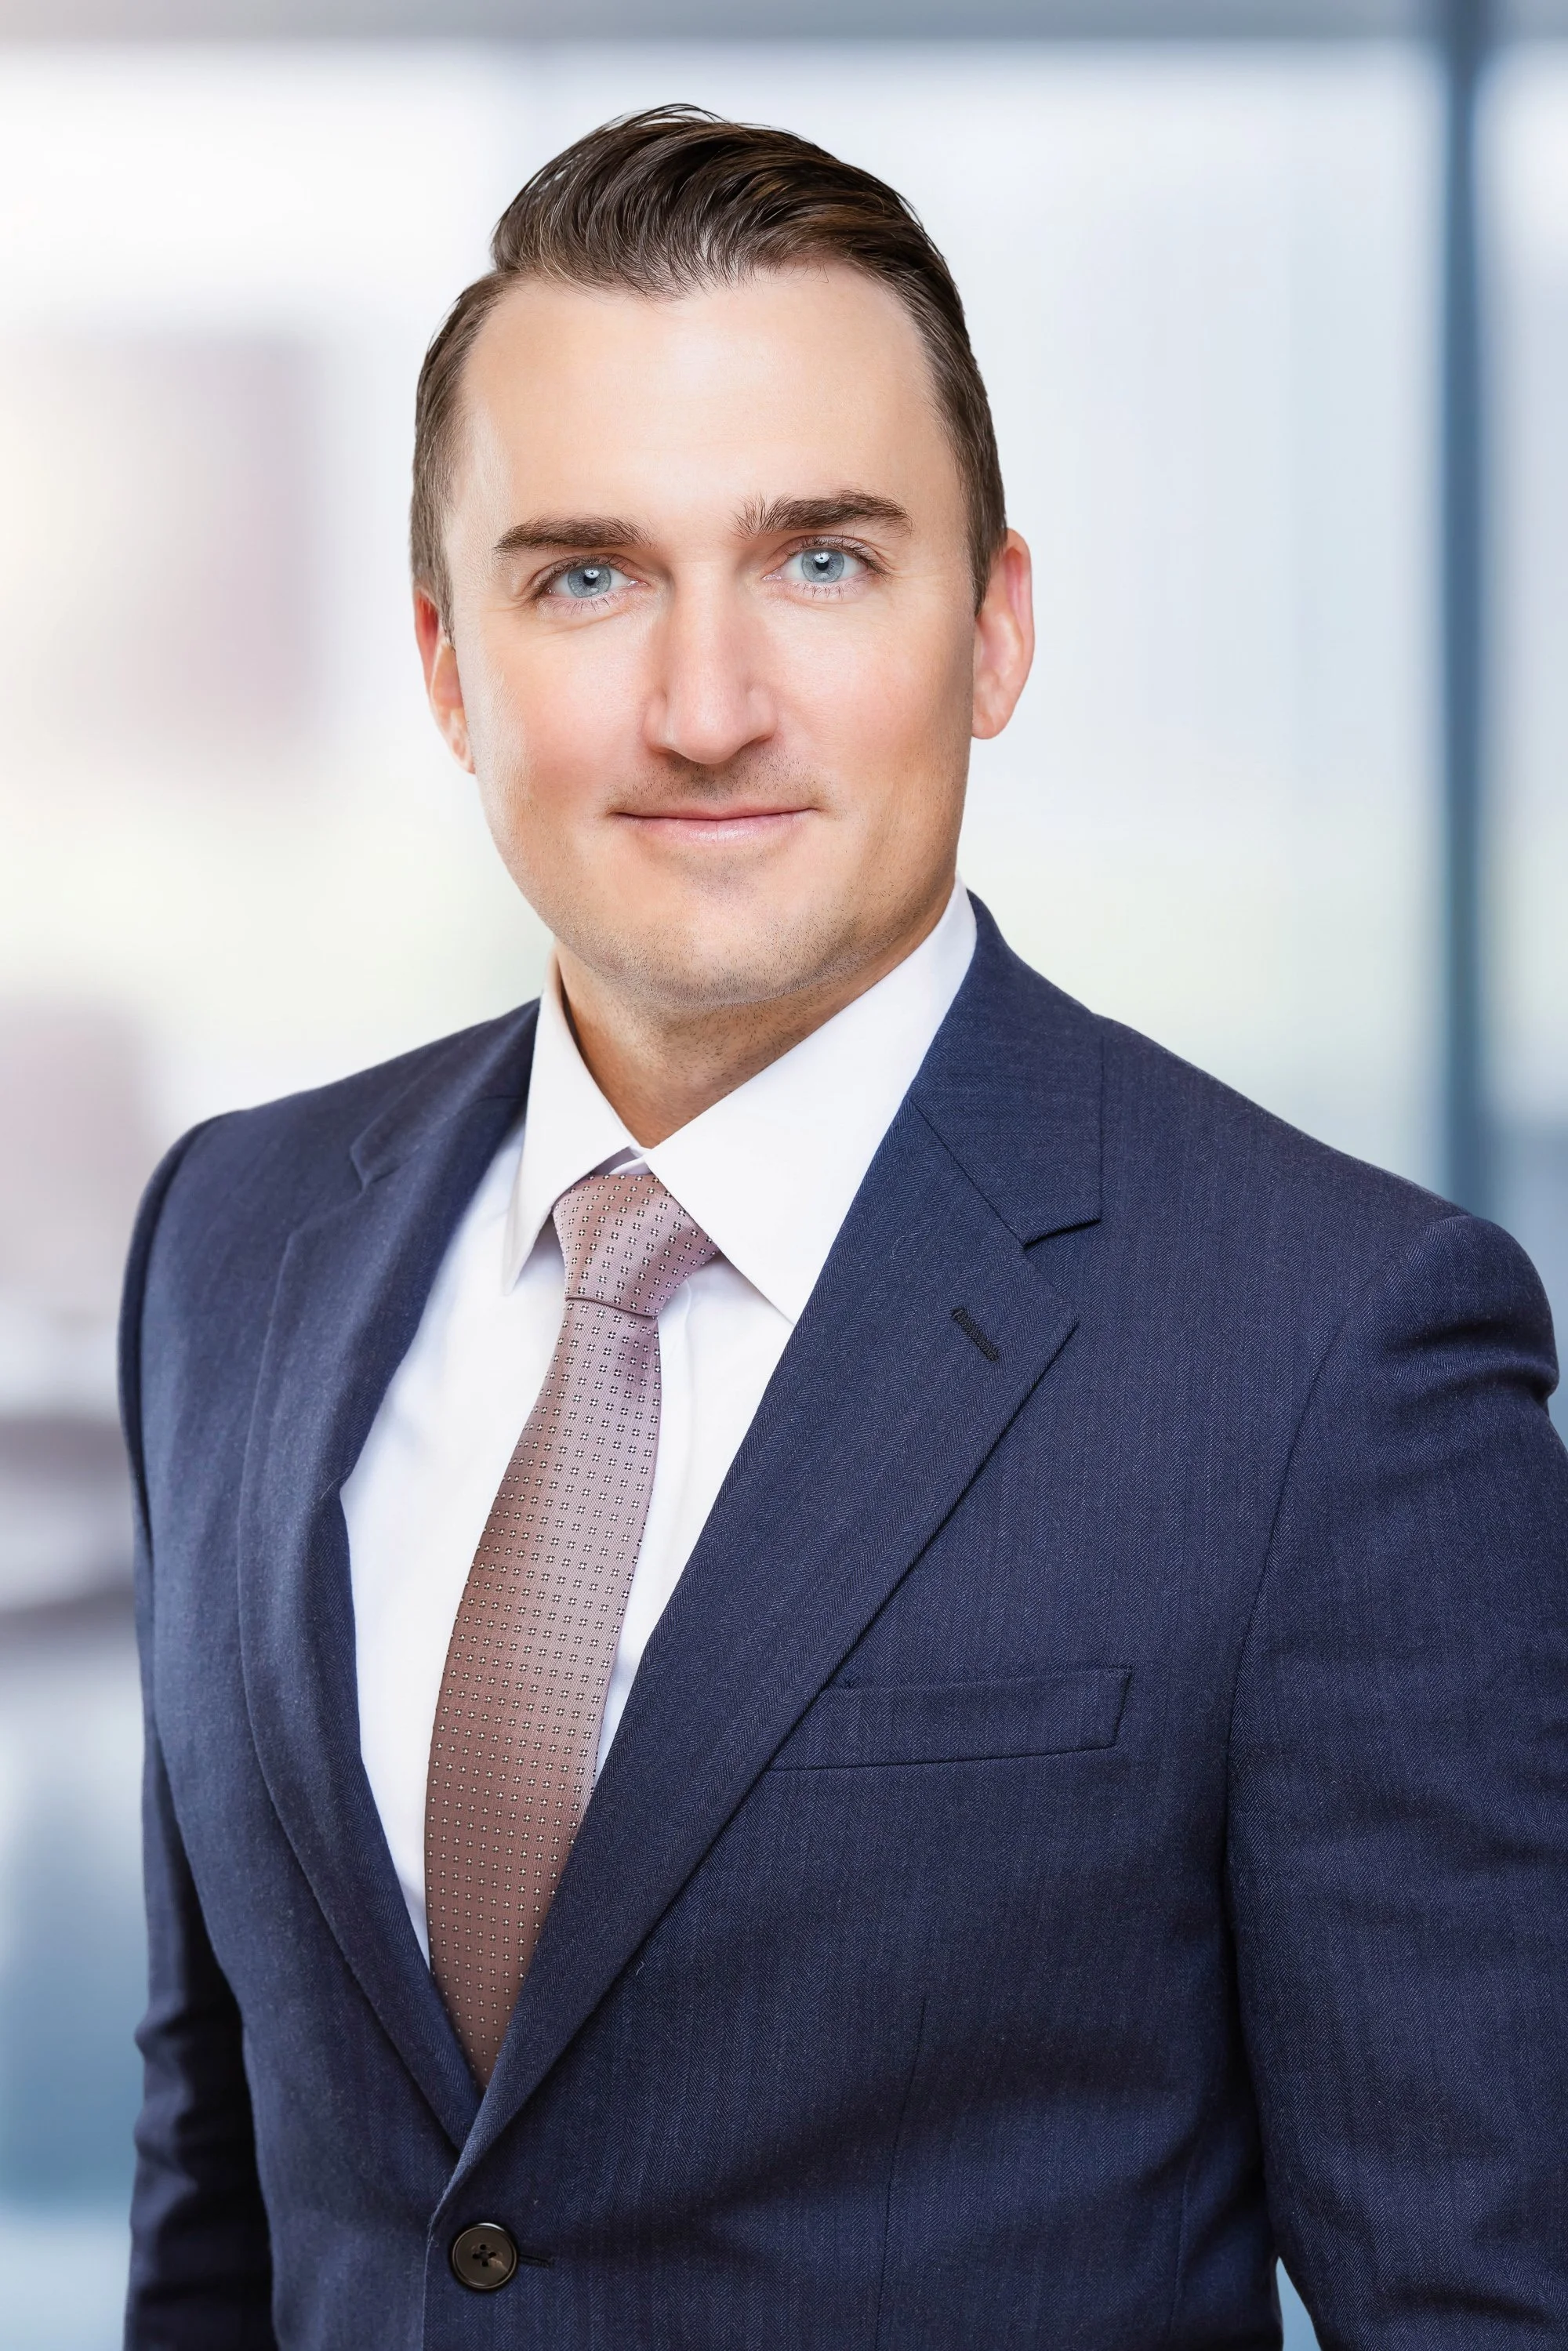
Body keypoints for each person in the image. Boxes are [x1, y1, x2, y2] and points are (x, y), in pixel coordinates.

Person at [122, 106, 1568, 2351]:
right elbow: (220, 2186)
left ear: (993, 628)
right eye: (586, 573)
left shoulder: (1328, 1359)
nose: (706, 709)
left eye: (822, 558)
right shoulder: (229, 1246)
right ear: (445, 662)